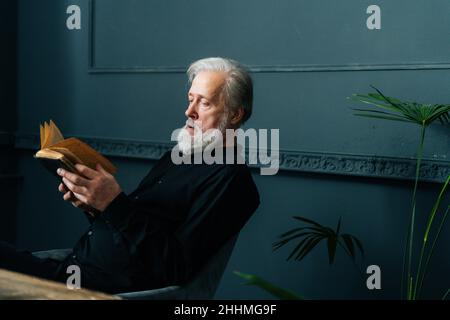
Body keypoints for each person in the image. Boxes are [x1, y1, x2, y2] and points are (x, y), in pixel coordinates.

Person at [0, 57, 260, 294]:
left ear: (235, 114)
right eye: (189, 99)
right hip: (74, 269)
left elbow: (175, 267)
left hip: (100, 290)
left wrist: (112, 203)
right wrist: (94, 205)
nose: (189, 112)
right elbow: (134, 227)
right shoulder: (177, 156)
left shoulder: (232, 180)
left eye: (204, 102)